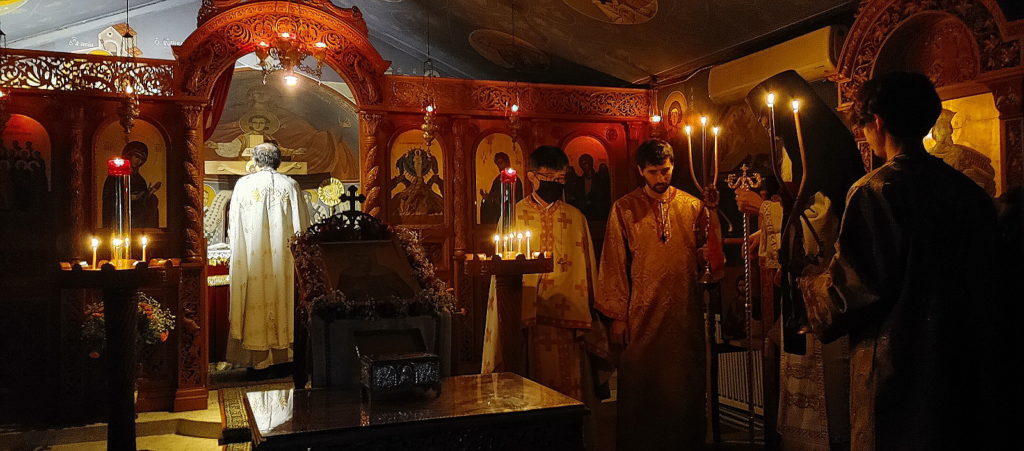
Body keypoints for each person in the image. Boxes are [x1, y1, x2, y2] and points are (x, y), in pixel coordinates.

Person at [798, 72, 1004, 450]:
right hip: (965, 364)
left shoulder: (876, 190)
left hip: (900, 371)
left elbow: (852, 292)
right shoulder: (967, 192)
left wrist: (811, 281)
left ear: (877, 121)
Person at [597, 139, 724, 450]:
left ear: (673, 167)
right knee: (642, 384)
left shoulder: (692, 206)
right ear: (641, 171)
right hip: (641, 314)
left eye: (665, 170)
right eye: (653, 172)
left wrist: (713, 215)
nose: (660, 178)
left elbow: (709, 254)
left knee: (682, 386)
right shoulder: (624, 208)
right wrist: (618, 317)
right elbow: (614, 262)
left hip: (684, 313)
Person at [482, 146, 609, 399]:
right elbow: (503, 275)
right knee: (529, 390)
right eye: (549, 179)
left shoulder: (576, 218)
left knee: (571, 393)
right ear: (532, 177)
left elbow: (589, 270)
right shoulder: (512, 217)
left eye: (561, 179)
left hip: (571, 323)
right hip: (529, 320)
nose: (555, 184)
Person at [228, 142, 310, 370]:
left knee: (254, 296)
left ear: (255, 161)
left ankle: (258, 358)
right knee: (284, 297)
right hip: (283, 260)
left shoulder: (243, 185)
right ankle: (285, 357)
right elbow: (302, 230)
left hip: (252, 257)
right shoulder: (291, 185)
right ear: (278, 160)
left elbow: (234, 227)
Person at [926, 108, 997, 196]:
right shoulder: (925, 156)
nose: (947, 130)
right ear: (933, 132)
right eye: (941, 127)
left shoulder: (964, 153)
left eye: (948, 126)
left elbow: (988, 175)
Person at [102, 141, 160, 228]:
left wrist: (147, 194)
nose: (139, 161)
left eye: (142, 159)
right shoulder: (115, 177)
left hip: (136, 216)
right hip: (120, 215)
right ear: (128, 155)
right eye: (136, 157)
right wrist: (131, 197)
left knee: (152, 199)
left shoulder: (140, 180)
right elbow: (109, 199)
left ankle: (147, 231)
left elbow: (143, 204)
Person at [479, 152, 523, 224]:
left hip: (510, 214)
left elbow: (517, 199)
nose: (499, 166)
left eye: (501, 163)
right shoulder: (497, 180)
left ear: (507, 162)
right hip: (498, 215)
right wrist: (487, 197)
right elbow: (493, 199)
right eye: (497, 164)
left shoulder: (516, 180)